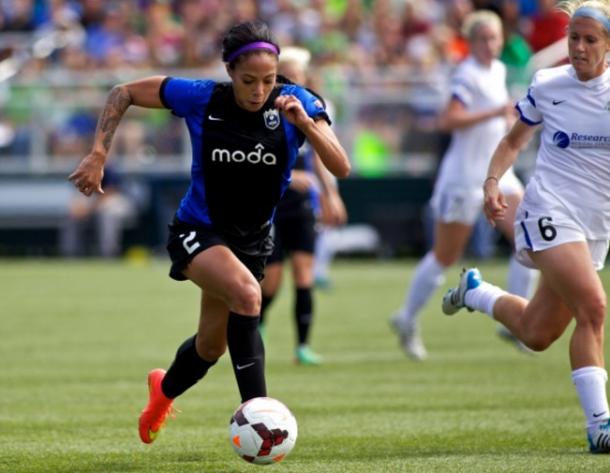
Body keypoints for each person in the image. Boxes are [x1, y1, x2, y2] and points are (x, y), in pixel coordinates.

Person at [68, 20, 350, 444]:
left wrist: (306, 125)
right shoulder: (202, 98)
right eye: (249, 80)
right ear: (231, 72)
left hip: (252, 241)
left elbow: (341, 166)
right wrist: (97, 154)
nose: (259, 91)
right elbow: (122, 92)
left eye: (268, 81)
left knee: (210, 348)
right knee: (249, 295)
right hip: (196, 230)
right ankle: (262, 420)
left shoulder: (298, 102)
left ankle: (162, 393)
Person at [442, 0, 610, 453]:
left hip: (595, 224)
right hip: (547, 212)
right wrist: (493, 181)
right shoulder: (548, 83)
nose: (577, 47)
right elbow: (514, 139)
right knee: (594, 307)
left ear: (608, 46)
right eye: (573, 37)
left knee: (537, 334)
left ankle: (476, 291)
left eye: (589, 40)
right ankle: (600, 427)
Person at [390, 10, 537, 361]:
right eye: (483, 38)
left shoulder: (498, 70)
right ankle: (406, 319)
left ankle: (518, 320)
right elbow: (448, 119)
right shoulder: (467, 74)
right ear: (471, 42)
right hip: (463, 178)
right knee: (445, 256)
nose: (490, 45)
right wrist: (494, 112)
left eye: (495, 38)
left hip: (498, 174)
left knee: (529, 240)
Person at [258, 46, 347, 366]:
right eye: (287, 77)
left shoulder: (308, 110)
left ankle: (302, 347)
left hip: (301, 206)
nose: (292, 84)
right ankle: (260, 321)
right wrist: (290, 175)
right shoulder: (263, 112)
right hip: (271, 204)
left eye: (298, 77)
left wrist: (330, 194)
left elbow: (320, 157)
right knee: (272, 280)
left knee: (304, 275)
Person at [60, 165, 136, 258]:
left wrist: (89, 209)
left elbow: (111, 192)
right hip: (94, 202)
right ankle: (70, 255)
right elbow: (79, 196)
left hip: (115, 201)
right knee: (73, 216)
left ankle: (108, 256)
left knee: (108, 216)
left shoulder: (110, 169)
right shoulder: (84, 168)